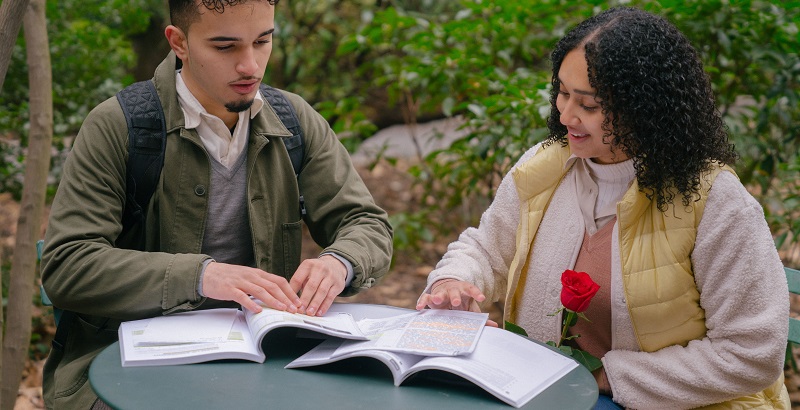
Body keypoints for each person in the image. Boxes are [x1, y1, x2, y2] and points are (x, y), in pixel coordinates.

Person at [416, 7, 789, 409]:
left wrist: (602, 376)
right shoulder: (544, 167)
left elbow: (753, 353)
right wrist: (453, 283)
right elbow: (487, 248)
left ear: (644, 107)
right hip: (545, 395)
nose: (565, 114)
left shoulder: (715, 201)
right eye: (562, 92)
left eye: (589, 105)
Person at [40, 0, 393, 408]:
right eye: (225, 47)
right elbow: (66, 265)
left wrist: (340, 262)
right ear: (179, 42)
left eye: (263, 41)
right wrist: (201, 276)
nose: (250, 66)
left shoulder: (293, 120)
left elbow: (365, 222)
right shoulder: (120, 126)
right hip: (124, 368)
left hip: (267, 362)